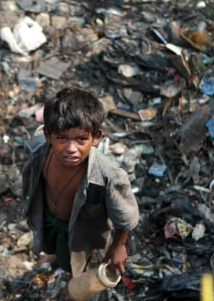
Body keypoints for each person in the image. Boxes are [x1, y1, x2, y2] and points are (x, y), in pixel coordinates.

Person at [22, 87, 139, 298]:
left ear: (96, 138)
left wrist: (119, 245)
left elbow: (126, 217)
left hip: (80, 230)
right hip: (48, 215)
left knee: (75, 261)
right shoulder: (39, 150)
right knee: (49, 243)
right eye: (62, 139)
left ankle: (69, 273)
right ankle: (55, 257)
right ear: (48, 135)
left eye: (81, 139)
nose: (71, 148)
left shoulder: (108, 175)